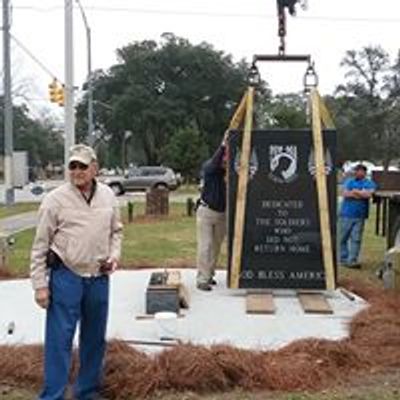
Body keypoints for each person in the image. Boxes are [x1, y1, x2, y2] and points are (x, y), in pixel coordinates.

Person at [30, 144, 123, 400]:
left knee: (94, 339)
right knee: (59, 341)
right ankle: (53, 395)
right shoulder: (55, 200)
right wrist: (40, 284)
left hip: (98, 277)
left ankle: (88, 391)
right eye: (73, 166)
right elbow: (40, 244)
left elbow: (116, 231)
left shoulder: (108, 196)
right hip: (66, 276)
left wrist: (114, 256)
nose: (77, 171)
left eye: (83, 166)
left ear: (95, 168)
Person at [196, 134, 228, 291]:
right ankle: (202, 278)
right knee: (205, 245)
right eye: (224, 160)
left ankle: (210, 274)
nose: (225, 162)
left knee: (216, 247)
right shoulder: (209, 168)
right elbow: (214, 162)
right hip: (207, 211)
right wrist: (223, 145)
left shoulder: (229, 174)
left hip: (222, 213)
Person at [339, 163, 376, 268]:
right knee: (343, 238)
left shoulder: (369, 182)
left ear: (364, 172)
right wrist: (361, 193)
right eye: (356, 170)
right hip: (346, 214)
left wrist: (354, 192)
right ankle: (343, 259)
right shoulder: (349, 181)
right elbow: (345, 193)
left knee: (356, 239)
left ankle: (352, 261)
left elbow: (369, 194)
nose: (358, 172)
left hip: (360, 215)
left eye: (360, 171)